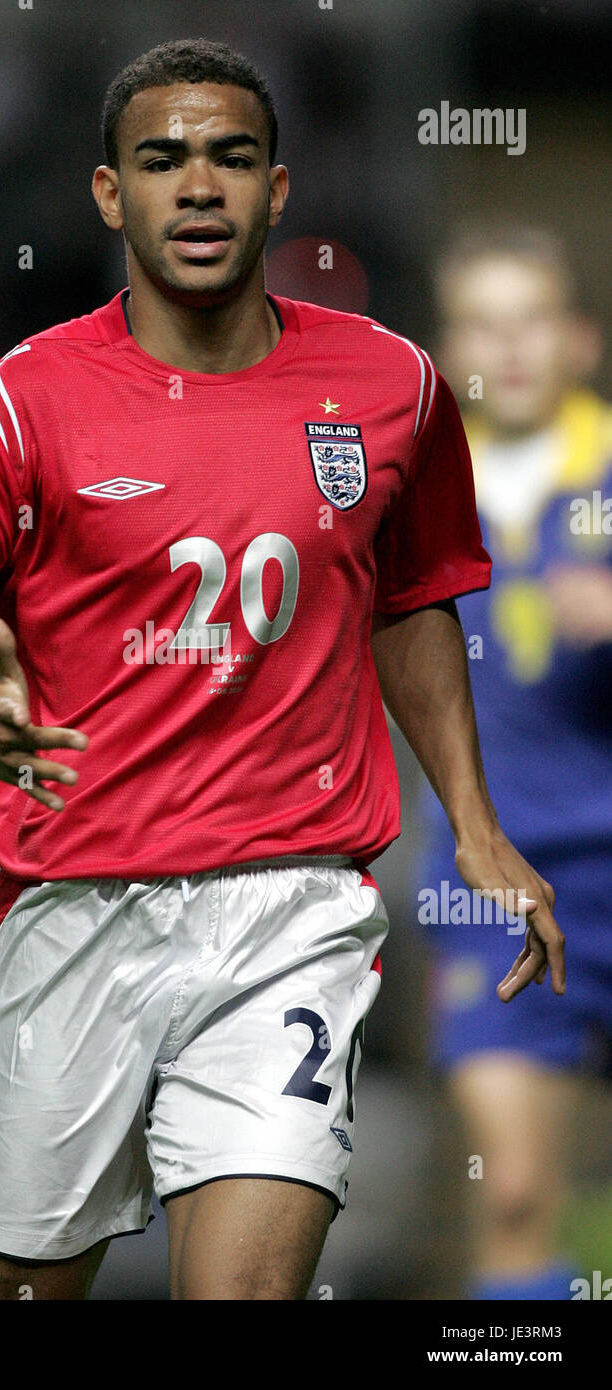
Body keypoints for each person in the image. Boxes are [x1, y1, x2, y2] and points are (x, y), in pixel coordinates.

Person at [0, 39, 563, 1302]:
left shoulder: (393, 387)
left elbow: (414, 602)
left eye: (230, 157)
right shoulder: (14, 409)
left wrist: (476, 824)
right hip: (74, 909)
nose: (199, 187)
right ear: (109, 193)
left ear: (278, 189)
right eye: (161, 160)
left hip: (292, 908)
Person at [418, 227, 612, 1300]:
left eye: (530, 317)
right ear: (448, 351)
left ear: (577, 336)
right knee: (512, 1190)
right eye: (484, 323)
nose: (512, 345)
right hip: (487, 880)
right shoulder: (404, 493)